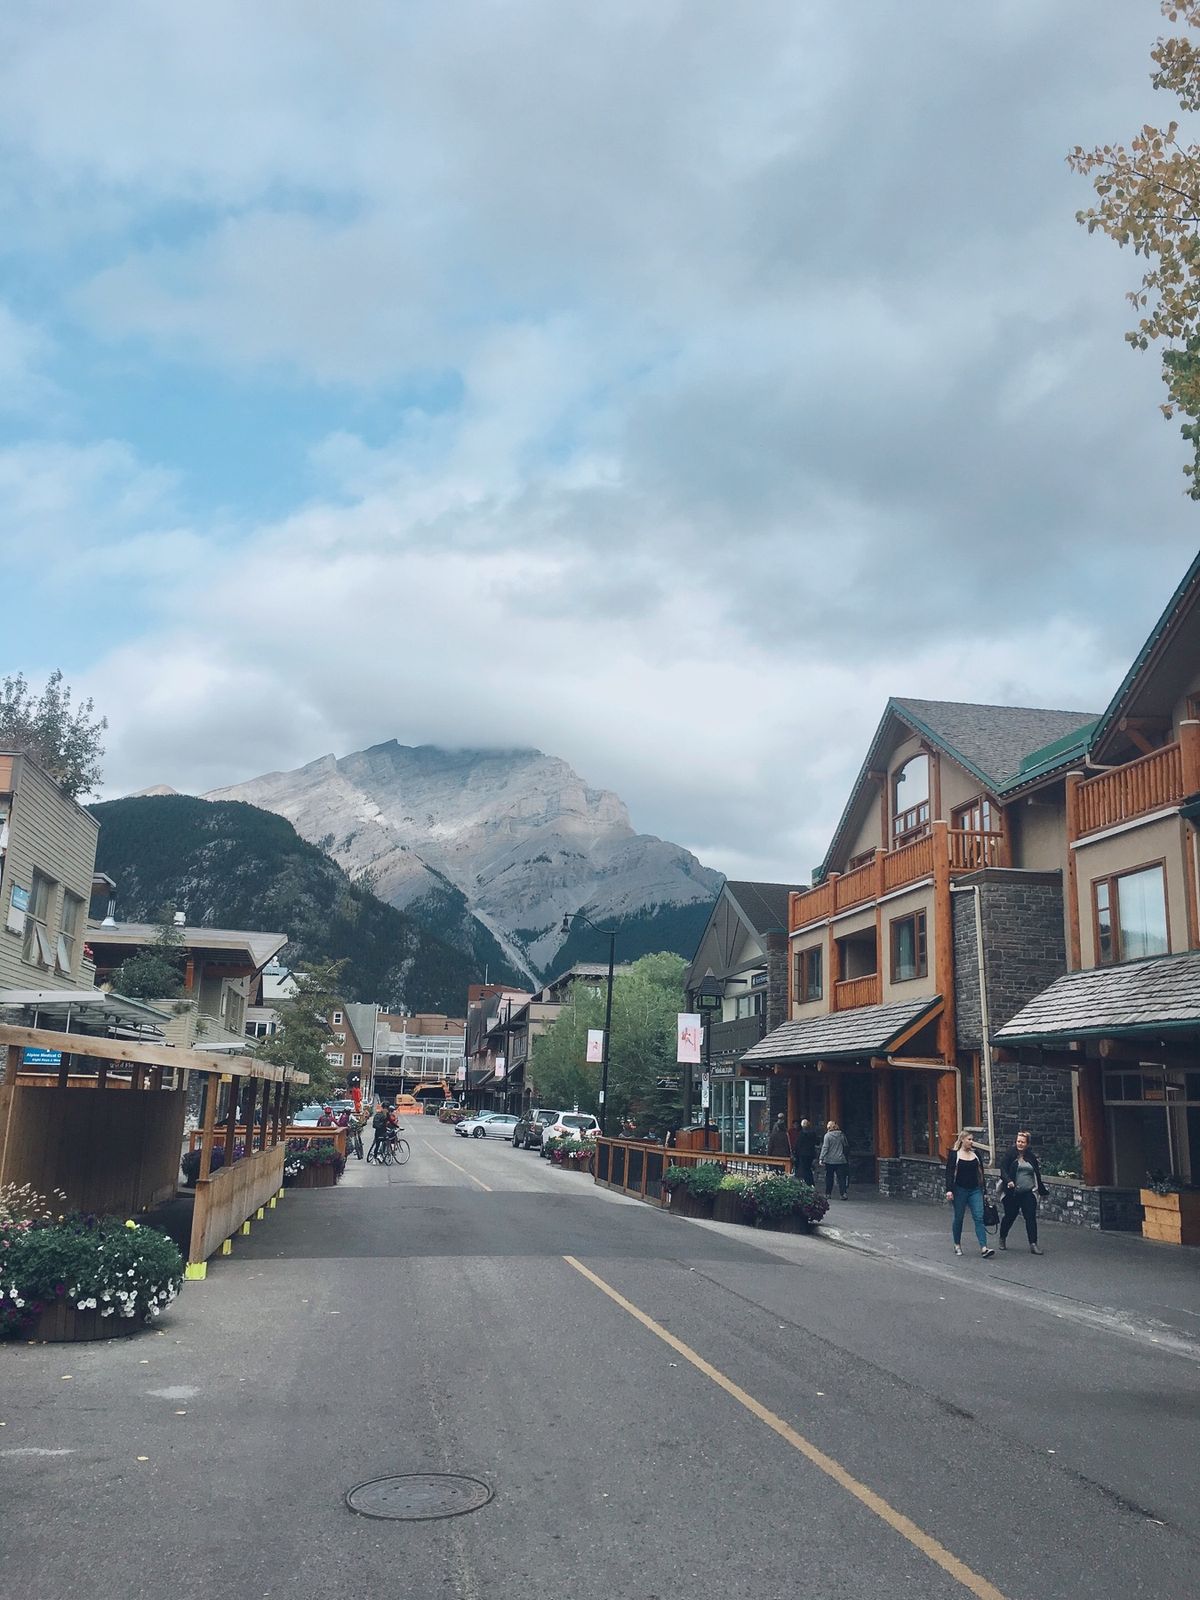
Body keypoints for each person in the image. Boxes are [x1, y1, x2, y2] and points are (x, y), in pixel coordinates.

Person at [945, 1131, 995, 1258]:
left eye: (972, 1139)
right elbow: (949, 1173)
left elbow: (981, 1174)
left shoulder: (976, 1154)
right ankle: (957, 1244)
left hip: (975, 1190)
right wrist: (949, 1190)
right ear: (962, 1140)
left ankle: (984, 1247)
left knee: (979, 1217)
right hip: (960, 1190)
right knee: (959, 1217)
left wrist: (984, 1191)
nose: (972, 1142)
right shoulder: (954, 1155)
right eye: (969, 1139)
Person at [998, 1129, 1048, 1254]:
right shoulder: (1010, 1154)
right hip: (1012, 1192)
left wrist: (1042, 1191)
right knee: (1010, 1216)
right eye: (1018, 1141)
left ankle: (1033, 1244)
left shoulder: (1030, 1157)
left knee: (1030, 1217)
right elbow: (1003, 1169)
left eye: (1022, 1142)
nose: (1020, 1144)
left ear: (1027, 1144)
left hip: (1027, 1192)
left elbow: (1037, 1174)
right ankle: (1002, 1237)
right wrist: (1008, 1180)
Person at [819, 1121, 851, 1199]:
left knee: (829, 1177)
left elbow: (825, 1148)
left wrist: (821, 1158)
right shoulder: (841, 1135)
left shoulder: (827, 1136)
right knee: (841, 1178)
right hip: (840, 1159)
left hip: (829, 1160)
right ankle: (843, 1194)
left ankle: (828, 1194)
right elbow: (846, 1145)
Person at [793, 1118, 817, 1187]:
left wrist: (795, 1154)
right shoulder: (813, 1133)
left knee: (805, 1170)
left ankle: (808, 1184)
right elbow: (816, 1142)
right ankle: (811, 1183)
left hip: (803, 1154)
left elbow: (798, 1145)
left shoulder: (801, 1134)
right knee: (808, 1168)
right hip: (811, 1154)